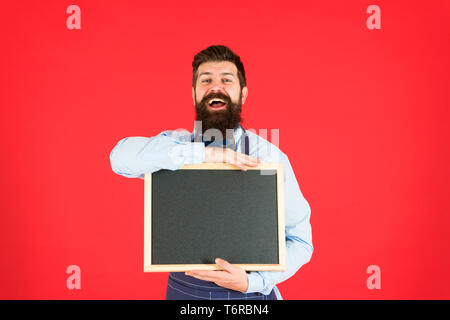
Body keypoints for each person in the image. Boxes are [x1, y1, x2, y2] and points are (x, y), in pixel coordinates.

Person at [109, 45, 313, 300]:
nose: (216, 87)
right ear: (194, 93)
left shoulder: (268, 157)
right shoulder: (172, 148)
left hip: (250, 297)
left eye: (227, 80)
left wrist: (254, 281)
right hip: (184, 295)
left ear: (243, 93)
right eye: (206, 80)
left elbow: (301, 242)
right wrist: (206, 155)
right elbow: (119, 158)